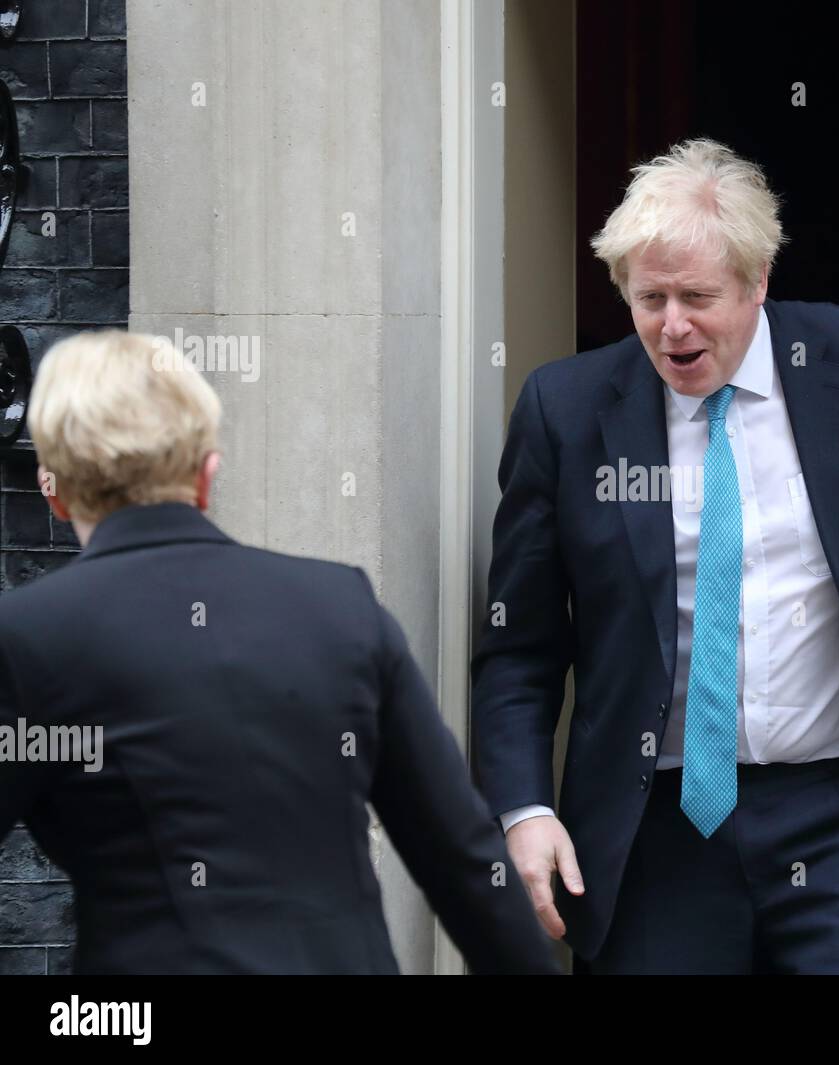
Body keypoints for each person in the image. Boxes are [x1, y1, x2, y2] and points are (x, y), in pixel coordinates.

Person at [471, 138, 839, 974]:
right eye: (649, 298)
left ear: (759, 281)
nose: (672, 326)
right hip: (657, 821)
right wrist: (523, 808)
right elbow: (519, 645)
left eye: (698, 296)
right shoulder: (565, 411)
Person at [0, 331, 560, 975]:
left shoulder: (28, 635)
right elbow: (463, 858)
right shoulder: (340, 604)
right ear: (207, 476)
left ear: (56, 493)